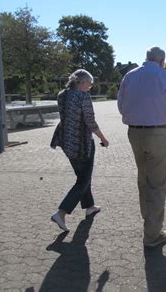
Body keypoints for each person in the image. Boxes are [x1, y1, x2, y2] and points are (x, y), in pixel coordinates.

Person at [117, 46, 166, 248]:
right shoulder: (163, 75)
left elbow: (121, 106)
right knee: (157, 184)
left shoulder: (129, 76)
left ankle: (149, 221)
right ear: (162, 61)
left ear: (146, 58)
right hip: (156, 133)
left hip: (134, 133)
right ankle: (152, 234)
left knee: (144, 180)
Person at [50, 69, 109, 232]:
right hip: (82, 143)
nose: (90, 87)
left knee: (82, 176)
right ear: (82, 82)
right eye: (89, 84)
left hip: (66, 141)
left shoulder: (62, 94)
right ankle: (61, 213)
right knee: (83, 179)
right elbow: (90, 120)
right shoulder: (82, 95)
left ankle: (89, 206)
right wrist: (103, 138)